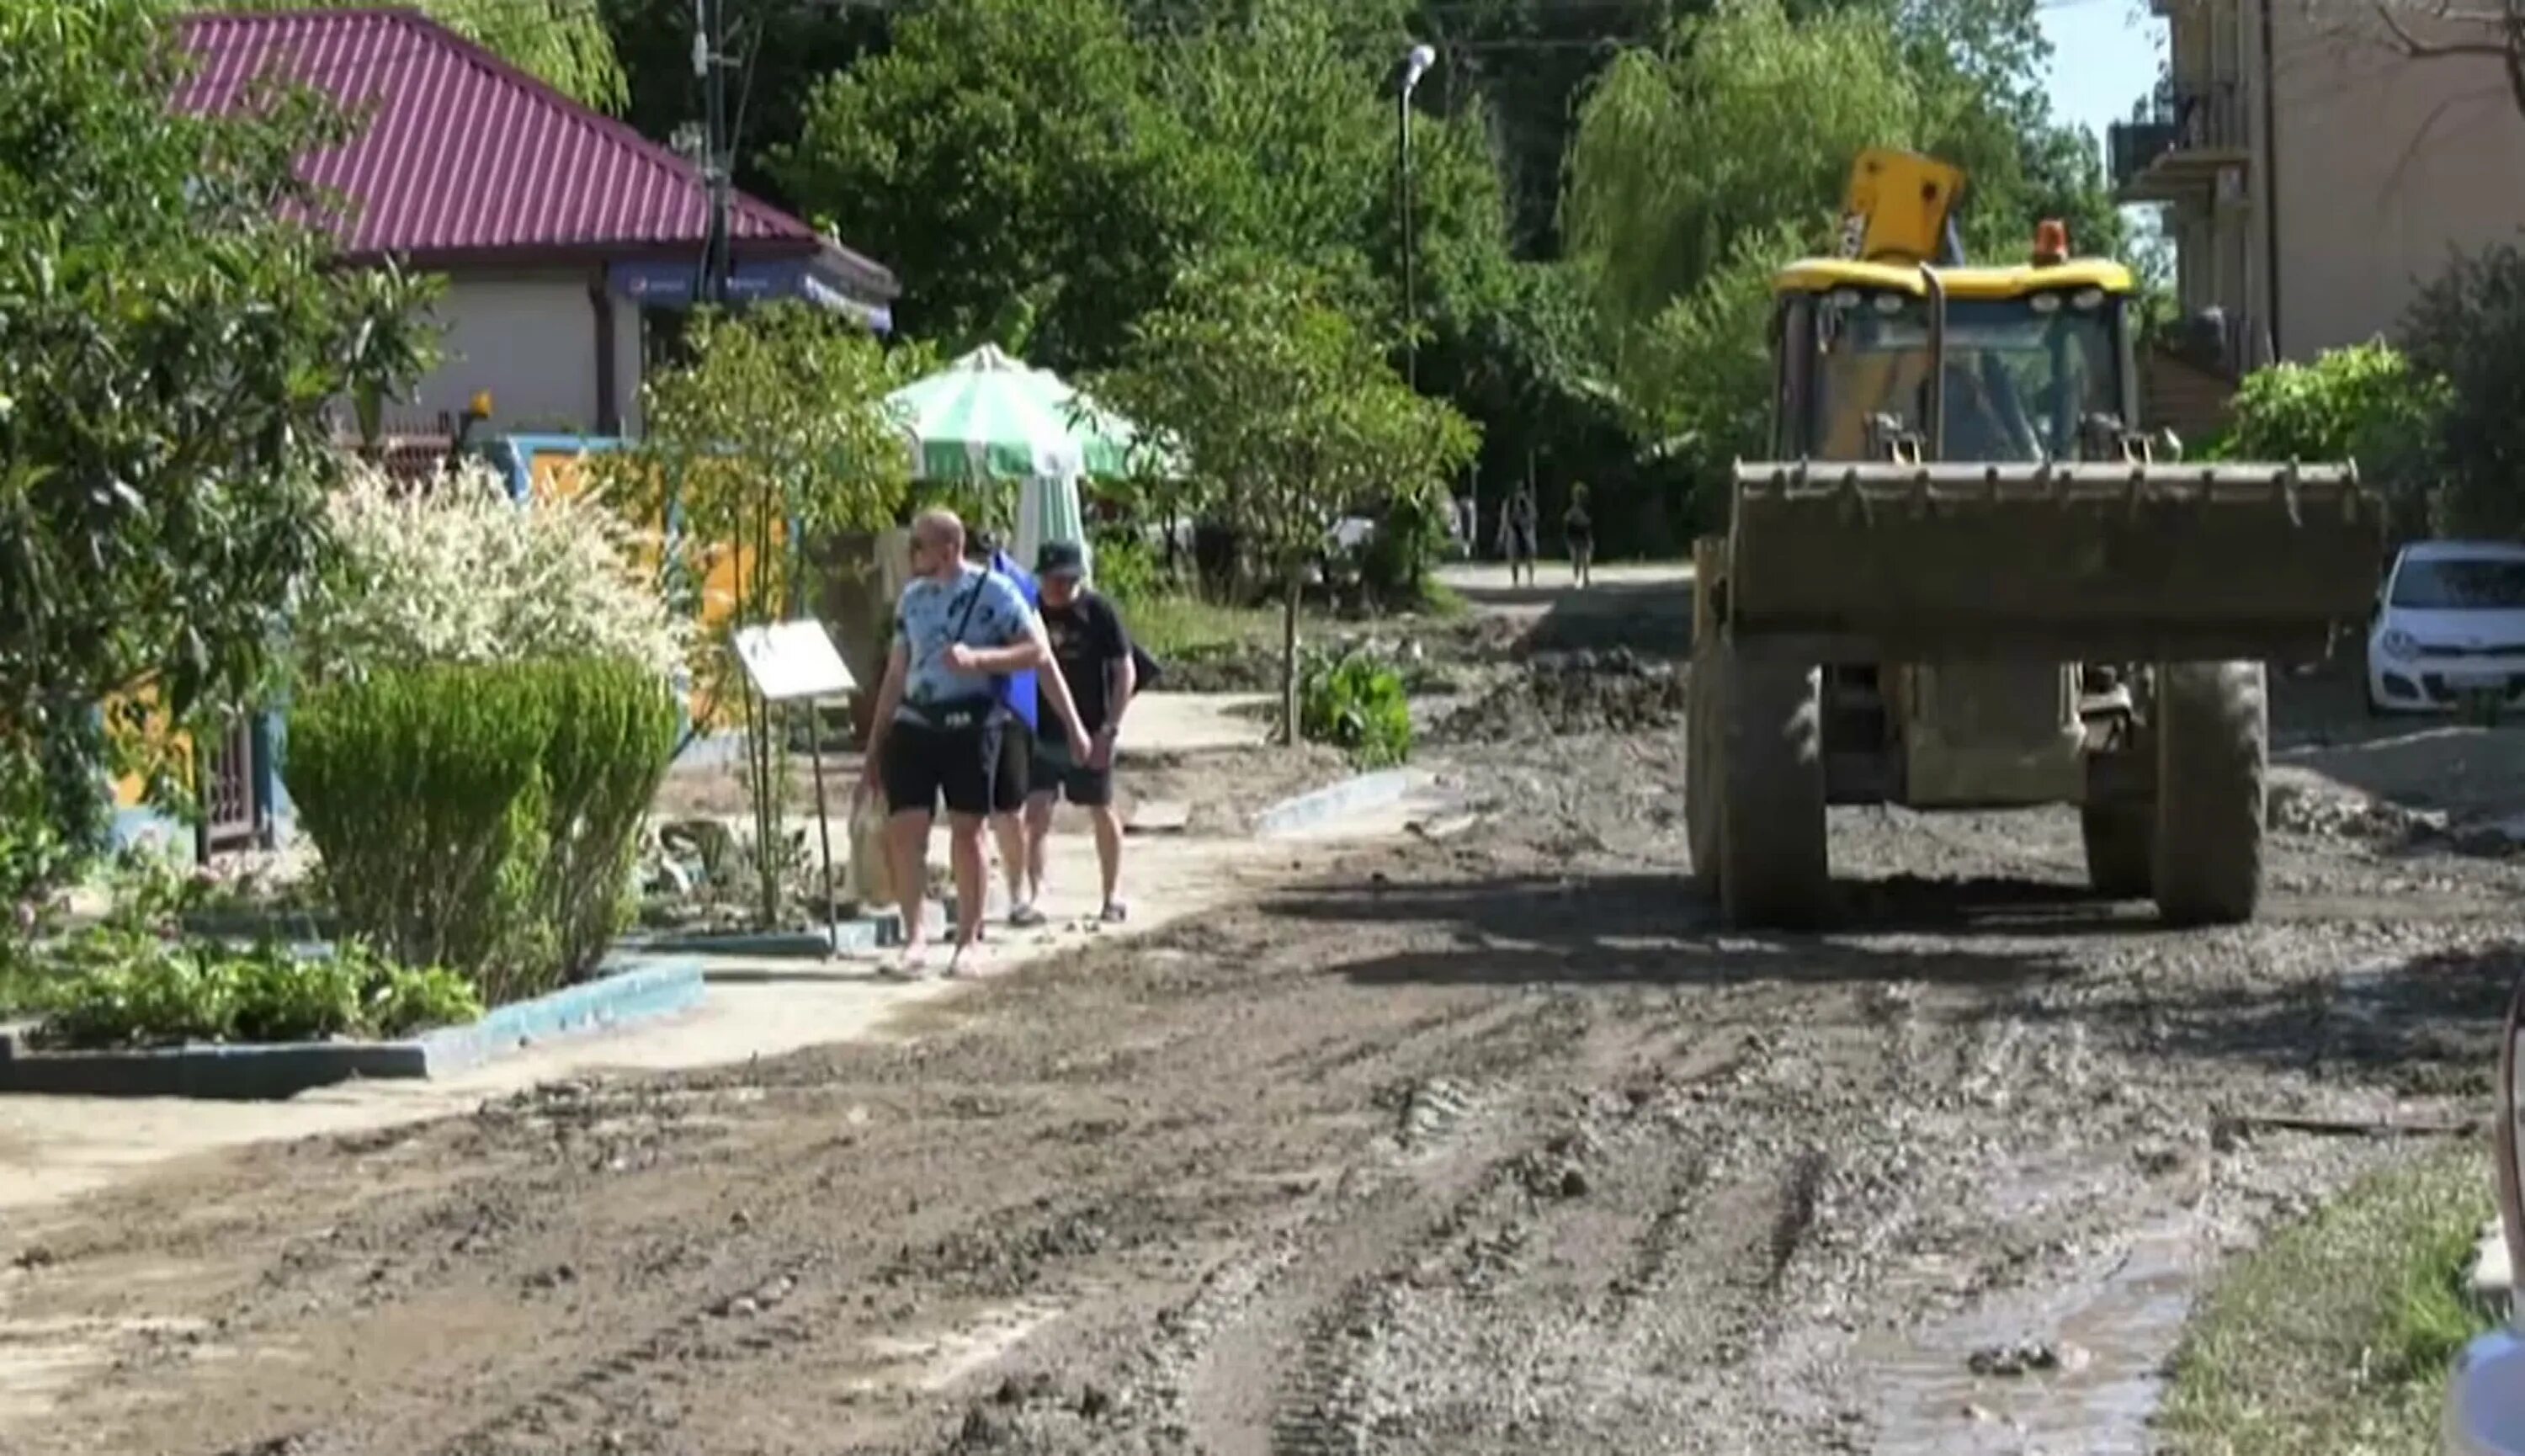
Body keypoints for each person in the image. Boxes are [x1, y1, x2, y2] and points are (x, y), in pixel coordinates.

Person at [860, 509, 1089, 976]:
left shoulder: (997, 592)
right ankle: (915, 937)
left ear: (948, 548)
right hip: (915, 722)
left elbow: (1037, 651)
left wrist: (980, 659)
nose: (911, 555)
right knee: (907, 832)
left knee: (969, 832)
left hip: (971, 723)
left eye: (918, 546)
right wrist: (874, 746)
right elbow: (896, 672)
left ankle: (969, 939)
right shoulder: (912, 600)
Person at [1020, 540, 1137, 925]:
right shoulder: (1029, 610)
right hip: (1042, 730)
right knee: (1036, 810)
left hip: (1093, 727)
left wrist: (1109, 729)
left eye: (1065, 581)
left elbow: (1125, 672)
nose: (1057, 588)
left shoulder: (1098, 611)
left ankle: (1112, 893)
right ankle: (1035, 894)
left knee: (1100, 808)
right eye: (1051, 579)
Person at [966, 529, 1044, 929]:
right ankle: (973, 907)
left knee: (1008, 810)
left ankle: (1018, 895)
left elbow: (1038, 651)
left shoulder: (1014, 586)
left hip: (1010, 708)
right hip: (964, 709)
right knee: (970, 815)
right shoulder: (943, 587)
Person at [1500, 486, 1539, 587]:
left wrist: (1526, 523)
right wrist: (1502, 535)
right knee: (1513, 557)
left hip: (1526, 531)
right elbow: (1504, 520)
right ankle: (1515, 580)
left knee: (1529, 556)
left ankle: (1531, 579)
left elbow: (1533, 516)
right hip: (1513, 531)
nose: (1519, 494)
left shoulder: (1527, 503)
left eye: (1521, 491)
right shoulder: (1508, 503)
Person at [1564, 484, 1595, 589]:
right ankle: (1577, 578)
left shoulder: (1587, 507)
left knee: (1585, 557)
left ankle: (1585, 578)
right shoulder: (1571, 507)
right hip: (1573, 534)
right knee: (1575, 558)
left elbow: (1589, 521)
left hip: (1583, 533)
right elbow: (1566, 520)